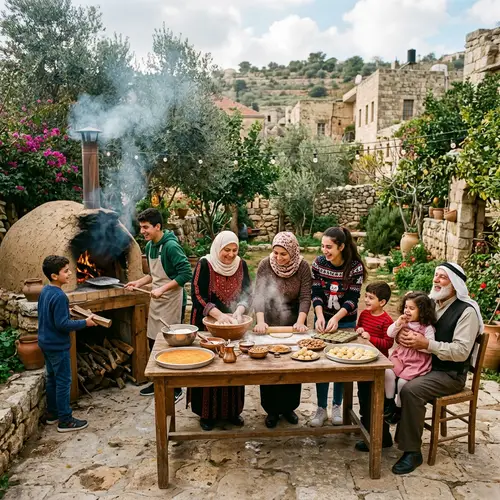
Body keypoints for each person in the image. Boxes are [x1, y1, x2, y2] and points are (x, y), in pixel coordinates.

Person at [391, 262, 483, 475]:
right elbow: (412, 327)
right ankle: (385, 430)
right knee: (384, 374)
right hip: (425, 365)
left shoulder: (466, 312)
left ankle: (412, 451)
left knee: (411, 390)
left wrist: (427, 344)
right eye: (436, 275)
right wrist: (402, 335)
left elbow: (461, 351)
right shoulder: (431, 303)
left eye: (442, 277)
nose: (436, 280)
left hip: (449, 373)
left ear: (455, 284)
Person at [126, 208, 192, 400]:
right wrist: (138, 283)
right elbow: (153, 275)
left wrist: (162, 289)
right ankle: (158, 383)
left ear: (158, 226)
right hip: (157, 302)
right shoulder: (149, 246)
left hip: (172, 301)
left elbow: (185, 274)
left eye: (146, 227)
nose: (143, 231)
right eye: (141, 227)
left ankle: (176, 388)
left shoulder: (171, 246)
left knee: (170, 345)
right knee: (153, 342)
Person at [189, 231, 251, 431]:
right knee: (208, 366)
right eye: (227, 250)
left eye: (234, 250)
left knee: (233, 365)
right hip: (207, 324)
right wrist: (217, 315)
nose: (231, 254)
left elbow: (248, 293)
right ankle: (206, 414)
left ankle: (232, 411)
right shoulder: (205, 264)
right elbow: (196, 293)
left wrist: (240, 310)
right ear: (218, 248)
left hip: (232, 326)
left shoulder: (241, 265)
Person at [253, 232, 312, 428]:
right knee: (269, 364)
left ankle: (289, 408)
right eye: (275, 252)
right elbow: (259, 295)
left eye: (283, 254)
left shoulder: (303, 266)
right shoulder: (265, 265)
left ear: (293, 252)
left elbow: (305, 297)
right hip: (269, 318)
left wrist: (301, 322)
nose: (278, 258)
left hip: (293, 318)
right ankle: (271, 410)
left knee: (292, 364)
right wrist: (260, 322)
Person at [310, 227, 366, 427]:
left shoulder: (355, 267)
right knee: (321, 364)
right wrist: (319, 316)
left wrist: (337, 318)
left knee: (341, 364)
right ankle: (321, 408)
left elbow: (352, 299)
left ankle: (336, 406)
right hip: (322, 320)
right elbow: (315, 292)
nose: (325, 250)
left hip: (346, 321)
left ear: (341, 246)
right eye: (323, 246)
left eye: (329, 247)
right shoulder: (318, 263)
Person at [38, 255, 97, 432]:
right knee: (64, 381)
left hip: (45, 343)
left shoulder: (45, 291)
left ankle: (52, 414)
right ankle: (65, 420)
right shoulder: (60, 297)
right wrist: (84, 323)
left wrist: (66, 311)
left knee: (52, 379)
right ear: (55, 276)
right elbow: (62, 325)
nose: (70, 273)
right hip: (57, 346)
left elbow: (50, 314)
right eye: (65, 271)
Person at [384, 292, 436, 425]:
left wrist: (417, 343)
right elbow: (390, 334)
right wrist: (398, 323)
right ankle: (389, 402)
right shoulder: (404, 322)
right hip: (400, 356)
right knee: (387, 371)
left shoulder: (427, 328)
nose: (407, 311)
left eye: (412, 308)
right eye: (406, 307)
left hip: (416, 360)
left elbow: (429, 346)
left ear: (422, 311)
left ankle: (398, 408)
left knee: (402, 382)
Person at [355, 281, 394, 452]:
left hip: (378, 367)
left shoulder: (387, 321)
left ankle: (382, 437)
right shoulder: (364, 314)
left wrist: (370, 338)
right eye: (366, 296)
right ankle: (366, 430)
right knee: (363, 398)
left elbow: (388, 343)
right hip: (363, 363)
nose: (367, 300)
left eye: (371, 298)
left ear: (382, 302)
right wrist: (358, 331)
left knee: (376, 401)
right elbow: (359, 328)